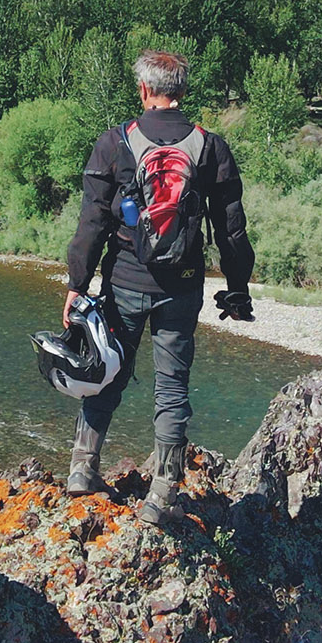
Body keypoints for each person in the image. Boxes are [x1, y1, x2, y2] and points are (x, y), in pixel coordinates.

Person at [62, 49, 256, 527]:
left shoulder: (115, 143)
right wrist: (237, 288)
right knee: (171, 389)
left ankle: (82, 472)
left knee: (106, 371)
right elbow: (231, 230)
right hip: (183, 288)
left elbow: (91, 224)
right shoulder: (210, 147)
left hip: (124, 283)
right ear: (182, 92)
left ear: (144, 91)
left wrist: (76, 283)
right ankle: (162, 496)